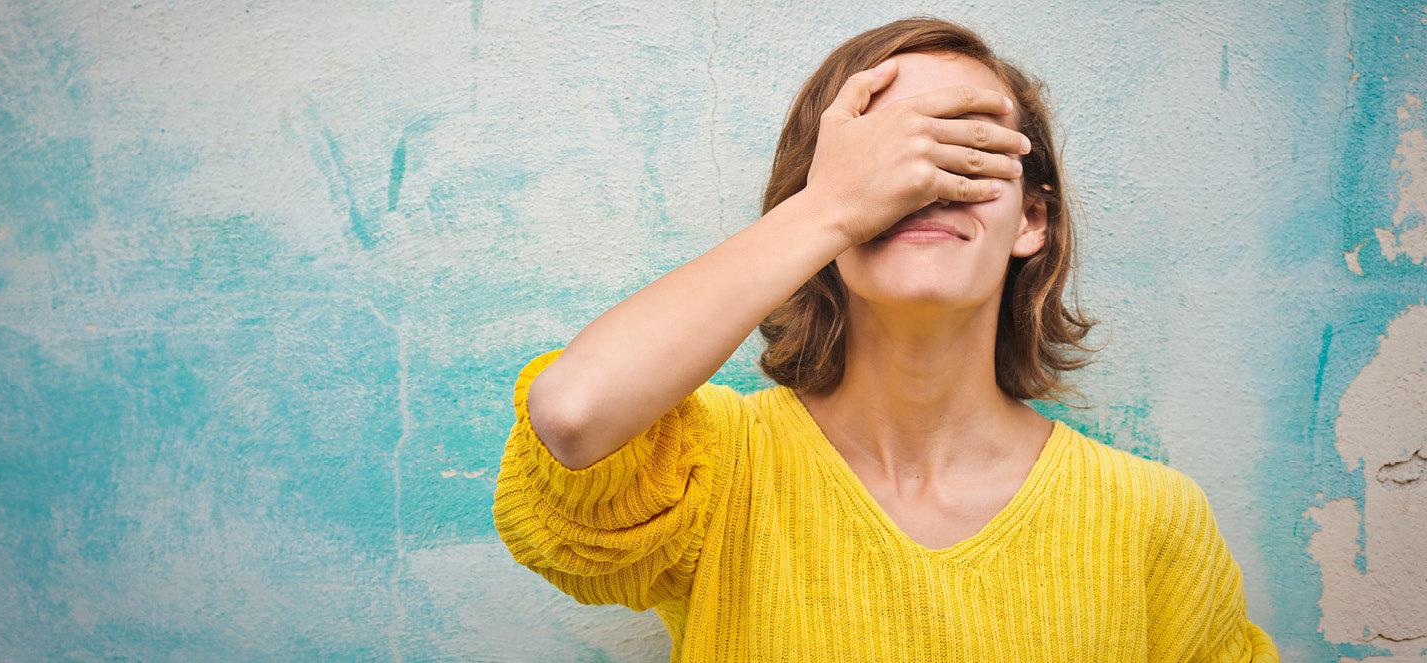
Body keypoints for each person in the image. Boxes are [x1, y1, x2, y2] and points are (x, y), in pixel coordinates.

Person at [493, 16, 1280, 661]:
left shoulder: (1151, 517)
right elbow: (573, 414)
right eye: (882, 148)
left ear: (1031, 218)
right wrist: (831, 207)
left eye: (968, 142)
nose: (922, 176)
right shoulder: (716, 467)